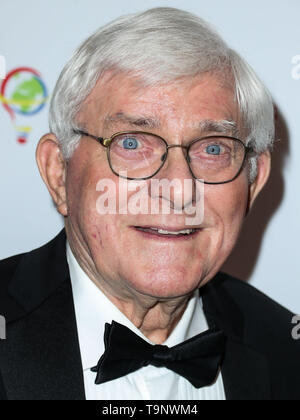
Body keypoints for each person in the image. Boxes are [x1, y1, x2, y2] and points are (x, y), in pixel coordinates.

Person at [0, 7, 299, 401]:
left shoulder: (287, 351)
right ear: (58, 173)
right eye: (131, 143)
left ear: (253, 181)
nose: (178, 189)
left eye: (212, 149)